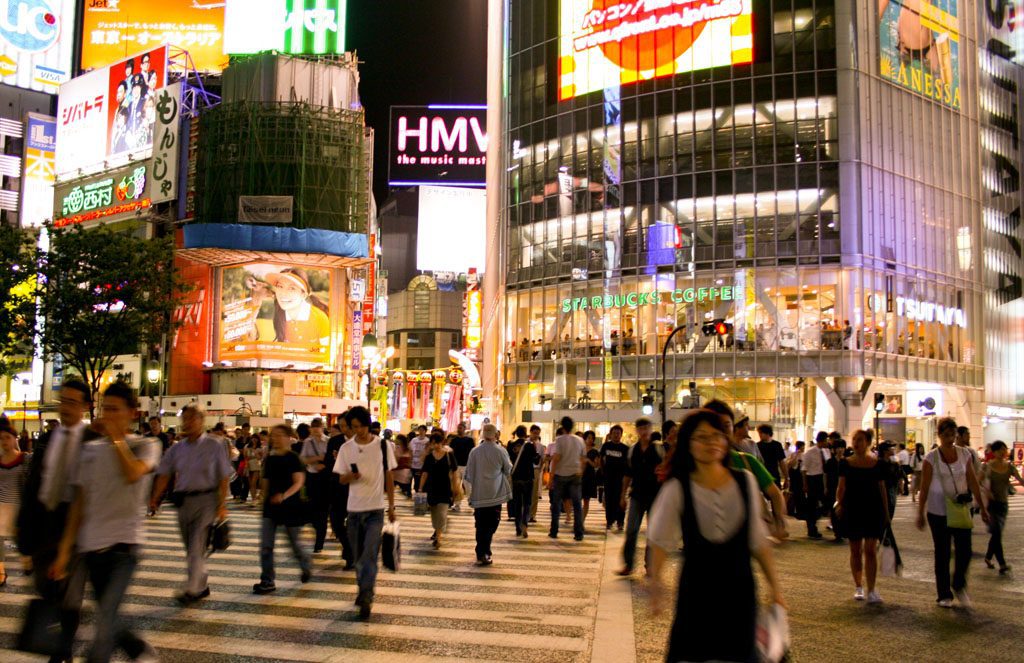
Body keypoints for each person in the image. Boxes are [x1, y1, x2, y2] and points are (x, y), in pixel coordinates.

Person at [647, 410, 785, 662]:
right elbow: (659, 542)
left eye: (716, 436)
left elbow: (758, 542)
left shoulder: (746, 482)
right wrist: (656, 585)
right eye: (701, 437)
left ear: (726, 440)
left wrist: (775, 588)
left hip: (740, 593)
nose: (710, 443)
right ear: (688, 444)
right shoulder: (677, 488)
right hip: (696, 595)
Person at [51, 382, 160, 662]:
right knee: (108, 615)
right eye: (105, 409)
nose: (109, 415)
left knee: (103, 627)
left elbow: (134, 474)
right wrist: (64, 553)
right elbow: (78, 503)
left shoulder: (146, 445)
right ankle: (137, 649)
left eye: (115, 410)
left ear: (132, 413)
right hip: (91, 549)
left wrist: (115, 439)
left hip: (125, 547)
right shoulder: (89, 451)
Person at [16, 379, 94, 662]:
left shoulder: (92, 441)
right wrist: (23, 523)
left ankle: (63, 650)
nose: (66, 407)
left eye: (73, 402)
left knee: (71, 593)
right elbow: (34, 481)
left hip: (74, 524)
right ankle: (58, 641)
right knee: (46, 587)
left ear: (86, 406)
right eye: (63, 401)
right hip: (43, 522)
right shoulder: (48, 438)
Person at [149, 403, 232, 605]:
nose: (187, 422)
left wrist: (222, 505)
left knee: (196, 545)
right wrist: (155, 498)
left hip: (207, 500)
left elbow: (223, 476)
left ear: (202, 421)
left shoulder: (215, 445)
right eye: (184, 418)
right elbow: (164, 474)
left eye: (192, 418)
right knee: (191, 548)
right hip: (184, 500)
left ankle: (192, 589)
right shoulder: (177, 448)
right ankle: (201, 584)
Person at [916, 417, 989, 608]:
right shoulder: (931, 458)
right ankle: (944, 594)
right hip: (938, 511)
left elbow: (972, 480)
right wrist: (920, 512)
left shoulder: (965, 454)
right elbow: (924, 488)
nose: (950, 439)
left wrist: (981, 506)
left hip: (960, 509)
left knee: (965, 551)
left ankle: (958, 584)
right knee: (942, 552)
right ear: (939, 435)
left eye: (953, 435)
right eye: (946, 435)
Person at [334, 406, 396, 620]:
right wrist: (351, 476)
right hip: (353, 510)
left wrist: (392, 507)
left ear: (367, 424)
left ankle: (367, 595)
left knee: (370, 554)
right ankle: (363, 588)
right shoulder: (346, 448)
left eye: (360, 426)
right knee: (359, 557)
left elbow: (389, 476)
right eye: (353, 427)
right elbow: (340, 479)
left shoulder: (383, 446)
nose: (357, 430)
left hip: (375, 510)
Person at [703, 400, 789, 541]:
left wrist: (778, 522)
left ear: (732, 427)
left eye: (726, 426)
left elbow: (774, 493)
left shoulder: (747, 461)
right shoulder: (691, 465)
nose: (720, 432)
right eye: (715, 426)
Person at [253, 424, 312, 594]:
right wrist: (262, 499)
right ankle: (267, 580)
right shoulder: (270, 459)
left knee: (294, 544)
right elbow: (265, 482)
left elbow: (298, 482)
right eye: (274, 435)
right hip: (270, 508)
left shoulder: (294, 458)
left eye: (279, 435)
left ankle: (305, 564)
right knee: (266, 546)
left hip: (290, 507)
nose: (276, 438)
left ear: (288, 437)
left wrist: (284, 496)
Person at [835, 430, 889, 604]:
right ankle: (859, 586)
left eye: (860, 440)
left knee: (871, 550)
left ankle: (872, 589)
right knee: (855, 549)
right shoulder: (845, 463)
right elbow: (841, 487)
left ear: (868, 442)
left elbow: (882, 488)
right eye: (854, 440)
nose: (856, 443)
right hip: (853, 508)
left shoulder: (877, 464)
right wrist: (839, 503)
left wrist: (886, 512)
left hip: (873, 509)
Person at [617, 418, 663, 575]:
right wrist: (622, 496)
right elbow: (627, 475)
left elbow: (666, 470)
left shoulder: (658, 449)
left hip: (655, 496)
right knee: (631, 530)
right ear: (637, 430)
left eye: (647, 428)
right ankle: (628, 564)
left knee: (653, 532)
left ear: (651, 429)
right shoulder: (632, 451)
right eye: (641, 428)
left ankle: (649, 565)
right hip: (636, 494)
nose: (644, 431)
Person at [464, 424, 512, 565]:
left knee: (480, 525)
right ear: (496, 434)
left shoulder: (474, 452)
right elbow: (508, 469)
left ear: (483, 434)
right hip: (495, 494)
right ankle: (485, 551)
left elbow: (469, 474)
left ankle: (481, 552)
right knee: (492, 524)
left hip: (479, 495)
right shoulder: (501, 451)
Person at [981, 440, 1023, 575]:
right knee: (997, 533)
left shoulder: (1009, 466)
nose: (1003, 452)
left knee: (996, 534)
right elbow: (978, 481)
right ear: (994, 452)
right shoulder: (987, 466)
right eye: (1000, 450)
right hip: (992, 505)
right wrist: (986, 492)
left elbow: (1020, 480)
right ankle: (1002, 564)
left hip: (1003, 505)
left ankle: (988, 557)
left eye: (1004, 450)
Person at [0, 424, 30, 584]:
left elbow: (29, 482)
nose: (4, 441)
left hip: (18, 506)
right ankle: (1, 573)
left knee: (20, 540)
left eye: (7, 438)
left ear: (14, 439)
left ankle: (27, 561)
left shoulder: (24, 458)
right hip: (1, 505)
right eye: (1, 438)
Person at [549, 416, 586, 541]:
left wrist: (551, 477)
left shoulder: (559, 440)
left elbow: (557, 458)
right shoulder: (580, 440)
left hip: (561, 475)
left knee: (556, 504)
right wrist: (580, 470)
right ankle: (578, 533)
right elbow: (582, 458)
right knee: (577, 505)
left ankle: (554, 531)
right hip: (575, 474)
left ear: (562, 426)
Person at [326, 412, 354, 569]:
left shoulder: (360, 443)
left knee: (353, 524)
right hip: (337, 487)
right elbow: (328, 463)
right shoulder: (335, 441)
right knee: (336, 522)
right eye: (341, 426)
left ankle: (351, 554)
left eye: (345, 426)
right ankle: (348, 547)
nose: (343, 429)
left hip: (355, 489)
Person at [300, 417, 331, 553]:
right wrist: (317, 459)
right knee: (312, 509)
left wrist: (324, 464)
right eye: (313, 427)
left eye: (318, 427)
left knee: (323, 511)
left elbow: (331, 459)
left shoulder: (329, 441)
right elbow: (302, 459)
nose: (315, 429)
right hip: (312, 477)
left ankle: (319, 543)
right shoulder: (307, 442)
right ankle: (316, 526)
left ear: (322, 427)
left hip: (325, 478)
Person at [420, 432, 456, 548]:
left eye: (438, 443)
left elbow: (454, 472)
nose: (436, 445)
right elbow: (425, 473)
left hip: (445, 488)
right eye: (433, 443)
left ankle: (438, 537)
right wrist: (420, 488)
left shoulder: (449, 455)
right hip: (431, 488)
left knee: (441, 512)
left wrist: (455, 486)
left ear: (442, 443)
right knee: (434, 513)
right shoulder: (429, 457)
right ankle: (437, 530)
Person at [508, 424, 538, 538]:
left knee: (517, 503)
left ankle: (518, 528)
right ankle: (525, 524)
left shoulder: (511, 445)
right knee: (527, 503)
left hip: (516, 478)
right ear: (525, 433)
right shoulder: (529, 445)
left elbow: (508, 460)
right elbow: (535, 461)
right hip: (528, 477)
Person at [600, 425, 629, 531]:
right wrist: (603, 472)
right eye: (614, 433)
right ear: (610, 434)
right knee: (609, 501)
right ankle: (609, 521)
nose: (616, 435)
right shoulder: (606, 446)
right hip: (608, 478)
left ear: (621, 435)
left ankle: (620, 522)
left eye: (618, 433)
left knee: (620, 500)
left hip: (621, 480)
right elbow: (601, 460)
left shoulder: (625, 448)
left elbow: (628, 465)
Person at [801, 431, 829, 539]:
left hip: (821, 479)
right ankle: (811, 528)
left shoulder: (826, 451)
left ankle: (815, 520)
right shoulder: (810, 452)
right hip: (812, 479)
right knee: (812, 505)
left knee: (825, 503)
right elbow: (804, 469)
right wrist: (805, 484)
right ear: (821, 440)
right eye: (826, 440)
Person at [449, 422, 475, 511]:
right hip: (456, 466)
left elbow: (472, 453)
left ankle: (471, 502)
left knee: (468, 486)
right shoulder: (454, 440)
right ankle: (457, 505)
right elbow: (450, 452)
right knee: (456, 486)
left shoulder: (469, 440)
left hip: (466, 465)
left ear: (464, 429)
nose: (459, 429)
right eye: (458, 427)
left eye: (461, 428)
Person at [582, 431, 601, 523]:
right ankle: (577, 519)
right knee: (576, 499)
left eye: (592, 438)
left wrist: (588, 461)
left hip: (589, 477)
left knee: (586, 500)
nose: (590, 440)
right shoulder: (580, 449)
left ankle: (581, 520)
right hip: (579, 476)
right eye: (588, 437)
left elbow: (596, 465)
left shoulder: (595, 451)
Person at [527, 425, 544, 523]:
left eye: (538, 434)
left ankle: (532, 514)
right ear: (530, 432)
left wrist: (540, 470)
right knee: (526, 492)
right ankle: (524, 512)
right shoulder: (525, 443)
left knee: (534, 493)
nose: (536, 435)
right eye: (535, 433)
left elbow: (542, 459)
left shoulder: (540, 446)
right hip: (526, 469)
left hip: (535, 469)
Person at [244, 433, 266, 504]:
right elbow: (245, 457)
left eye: (256, 438)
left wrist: (256, 454)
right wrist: (246, 465)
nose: (254, 440)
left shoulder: (260, 447)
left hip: (256, 465)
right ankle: (254, 498)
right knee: (250, 484)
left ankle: (255, 498)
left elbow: (261, 458)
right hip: (248, 465)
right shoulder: (247, 446)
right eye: (253, 438)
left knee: (254, 482)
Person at [409, 425, 430, 491]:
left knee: (420, 479)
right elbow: (410, 450)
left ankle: (420, 491)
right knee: (415, 478)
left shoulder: (427, 440)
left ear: (425, 431)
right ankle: (415, 490)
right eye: (419, 430)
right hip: (414, 463)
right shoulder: (414, 440)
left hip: (422, 464)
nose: (421, 431)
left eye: (422, 430)